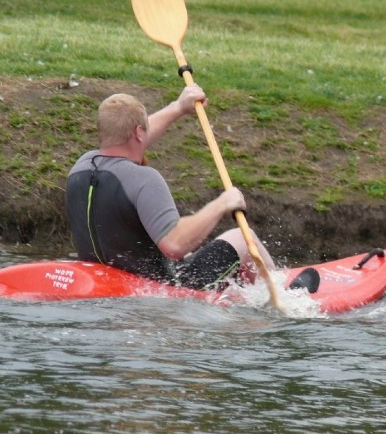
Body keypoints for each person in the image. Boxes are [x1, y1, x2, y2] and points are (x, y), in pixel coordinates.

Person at [66, 85, 320, 293]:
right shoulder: (144, 179)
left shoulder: (80, 167)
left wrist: (178, 108)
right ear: (138, 133)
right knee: (243, 237)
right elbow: (174, 246)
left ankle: (245, 287)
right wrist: (222, 203)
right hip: (165, 289)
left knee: (193, 251)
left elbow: (130, 139)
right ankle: (283, 297)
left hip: (109, 279)